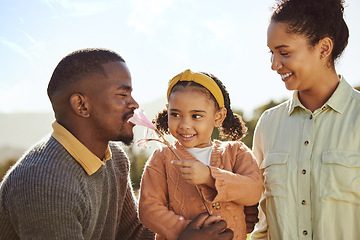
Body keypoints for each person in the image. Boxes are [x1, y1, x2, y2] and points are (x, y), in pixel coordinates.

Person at [0, 48, 235, 240]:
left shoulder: (114, 158)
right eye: (122, 95)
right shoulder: (45, 185)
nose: (134, 104)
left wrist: (189, 227)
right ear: (82, 105)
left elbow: (132, 234)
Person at [250, 0, 360, 239]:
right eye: (272, 53)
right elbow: (262, 226)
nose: (274, 64)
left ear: (323, 48)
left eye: (284, 52)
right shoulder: (268, 125)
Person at [138, 69, 263, 240]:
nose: (184, 125)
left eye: (196, 116)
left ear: (218, 117)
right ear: (168, 112)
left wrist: (211, 177)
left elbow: (254, 191)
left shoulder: (236, 152)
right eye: (175, 114)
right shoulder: (162, 158)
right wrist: (188, 231)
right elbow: (149, 209)